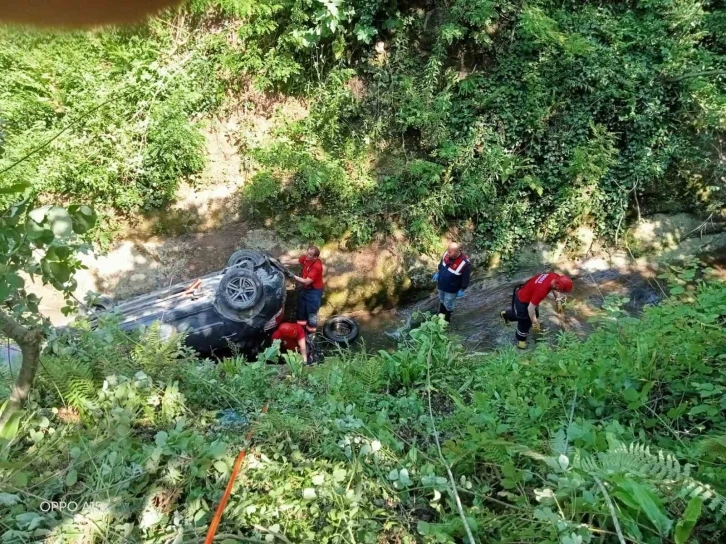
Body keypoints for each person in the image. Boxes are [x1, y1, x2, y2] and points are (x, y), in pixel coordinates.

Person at [501, 272, 573, 349]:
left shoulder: (555, 277)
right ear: (557, 286)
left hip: (529, 293)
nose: (560, 292)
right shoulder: (541, 291)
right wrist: (535, 323)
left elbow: (555, 289)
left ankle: (506, 315)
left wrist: (558, 301)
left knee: (535, 315)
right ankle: (520, 340)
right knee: (525, 320)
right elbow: (530, 308)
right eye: (561, 291)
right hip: (522, 299)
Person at [432, 242, 471, 323]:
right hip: (441, 284)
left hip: (452, 288)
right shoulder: (446, 254)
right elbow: (441, 265)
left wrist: (462, 289)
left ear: (457, 252)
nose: (448, 253)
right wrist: (438, 273)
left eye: (450, 252)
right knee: (442, 299)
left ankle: (447, 318)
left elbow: (466, 278)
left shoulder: (465, 263)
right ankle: (441, 314)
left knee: (448, 303)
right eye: (448, 250)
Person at [292, 245, 324, 333]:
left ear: (315, 257)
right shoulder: (306, 258)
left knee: (311, 312)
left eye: (310, 254)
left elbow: (307, 282)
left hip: (314, 291)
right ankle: (300, 330)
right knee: (301, 308)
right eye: (307, 253)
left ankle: (310, 333)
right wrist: (281, 262)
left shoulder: (317, 266)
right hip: (305, 289)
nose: (307, 255)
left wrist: (293, 276)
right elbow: (297, 261)